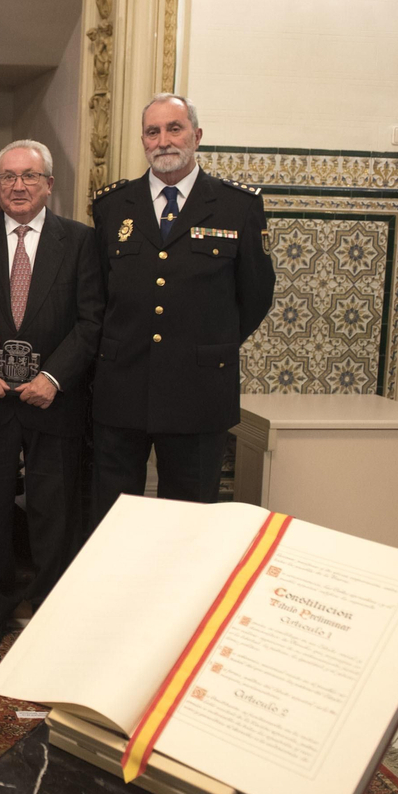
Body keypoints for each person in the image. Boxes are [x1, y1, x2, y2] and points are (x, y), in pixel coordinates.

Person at [89, 93, 275, 516]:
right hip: (122, 386)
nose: (163, 140)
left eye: (174, 128)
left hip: (198, 390)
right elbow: (98, 294)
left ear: (197, 135)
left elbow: (256, 294)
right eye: (153, 132)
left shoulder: (236, 205)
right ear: (143, 140)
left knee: (188, 515)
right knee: (114, 515)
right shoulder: (113, 205)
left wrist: (207, 343)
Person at [0, 140, 102, 653]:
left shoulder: (81, 241)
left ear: (49, 185)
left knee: (52, 509)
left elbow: (90, 321)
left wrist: (55, 378)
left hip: (53, 400)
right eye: (8, 177)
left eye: (29, 177)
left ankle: (46, 610)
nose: (18, 186)